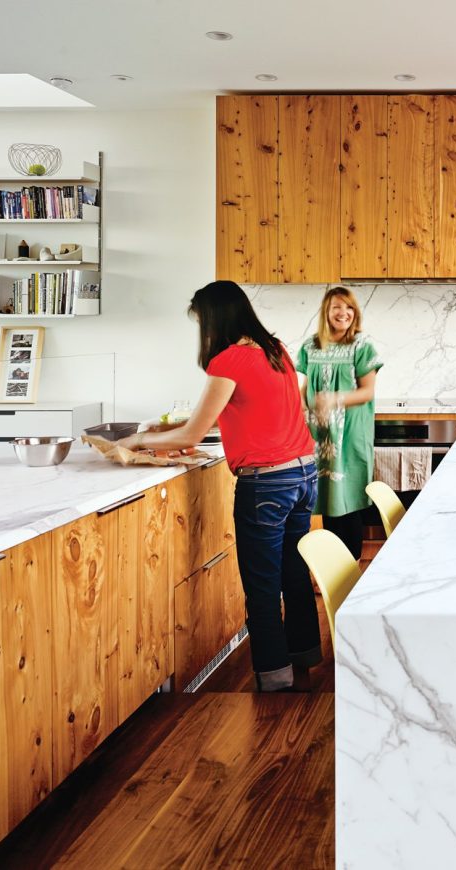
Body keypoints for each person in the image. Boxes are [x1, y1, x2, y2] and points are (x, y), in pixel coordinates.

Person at [120, 280, 320, 692]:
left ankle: (274, 676)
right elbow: (226, 413)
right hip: (303, 473)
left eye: (202, 323)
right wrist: (168, 429)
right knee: (293, 573)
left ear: (214, 319)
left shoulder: (228, 360)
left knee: (262, 583)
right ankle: (303, 657)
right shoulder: (274, 349)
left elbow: (191, 437)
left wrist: (137, 440)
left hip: (266, 484)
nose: (203, 332)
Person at [297, 285, 383, 560]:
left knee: (349, 498)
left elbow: (367, 391)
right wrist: (298, 406)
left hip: (349, 433)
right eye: (337, 307)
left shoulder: (362, 345)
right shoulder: (311, 345)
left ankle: (351, 567)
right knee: (326, 499)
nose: (343, 313)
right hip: (319, 433)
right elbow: (305, 385)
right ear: (326, 311)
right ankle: (334, 569)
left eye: (348, 308)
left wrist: (334, 398)